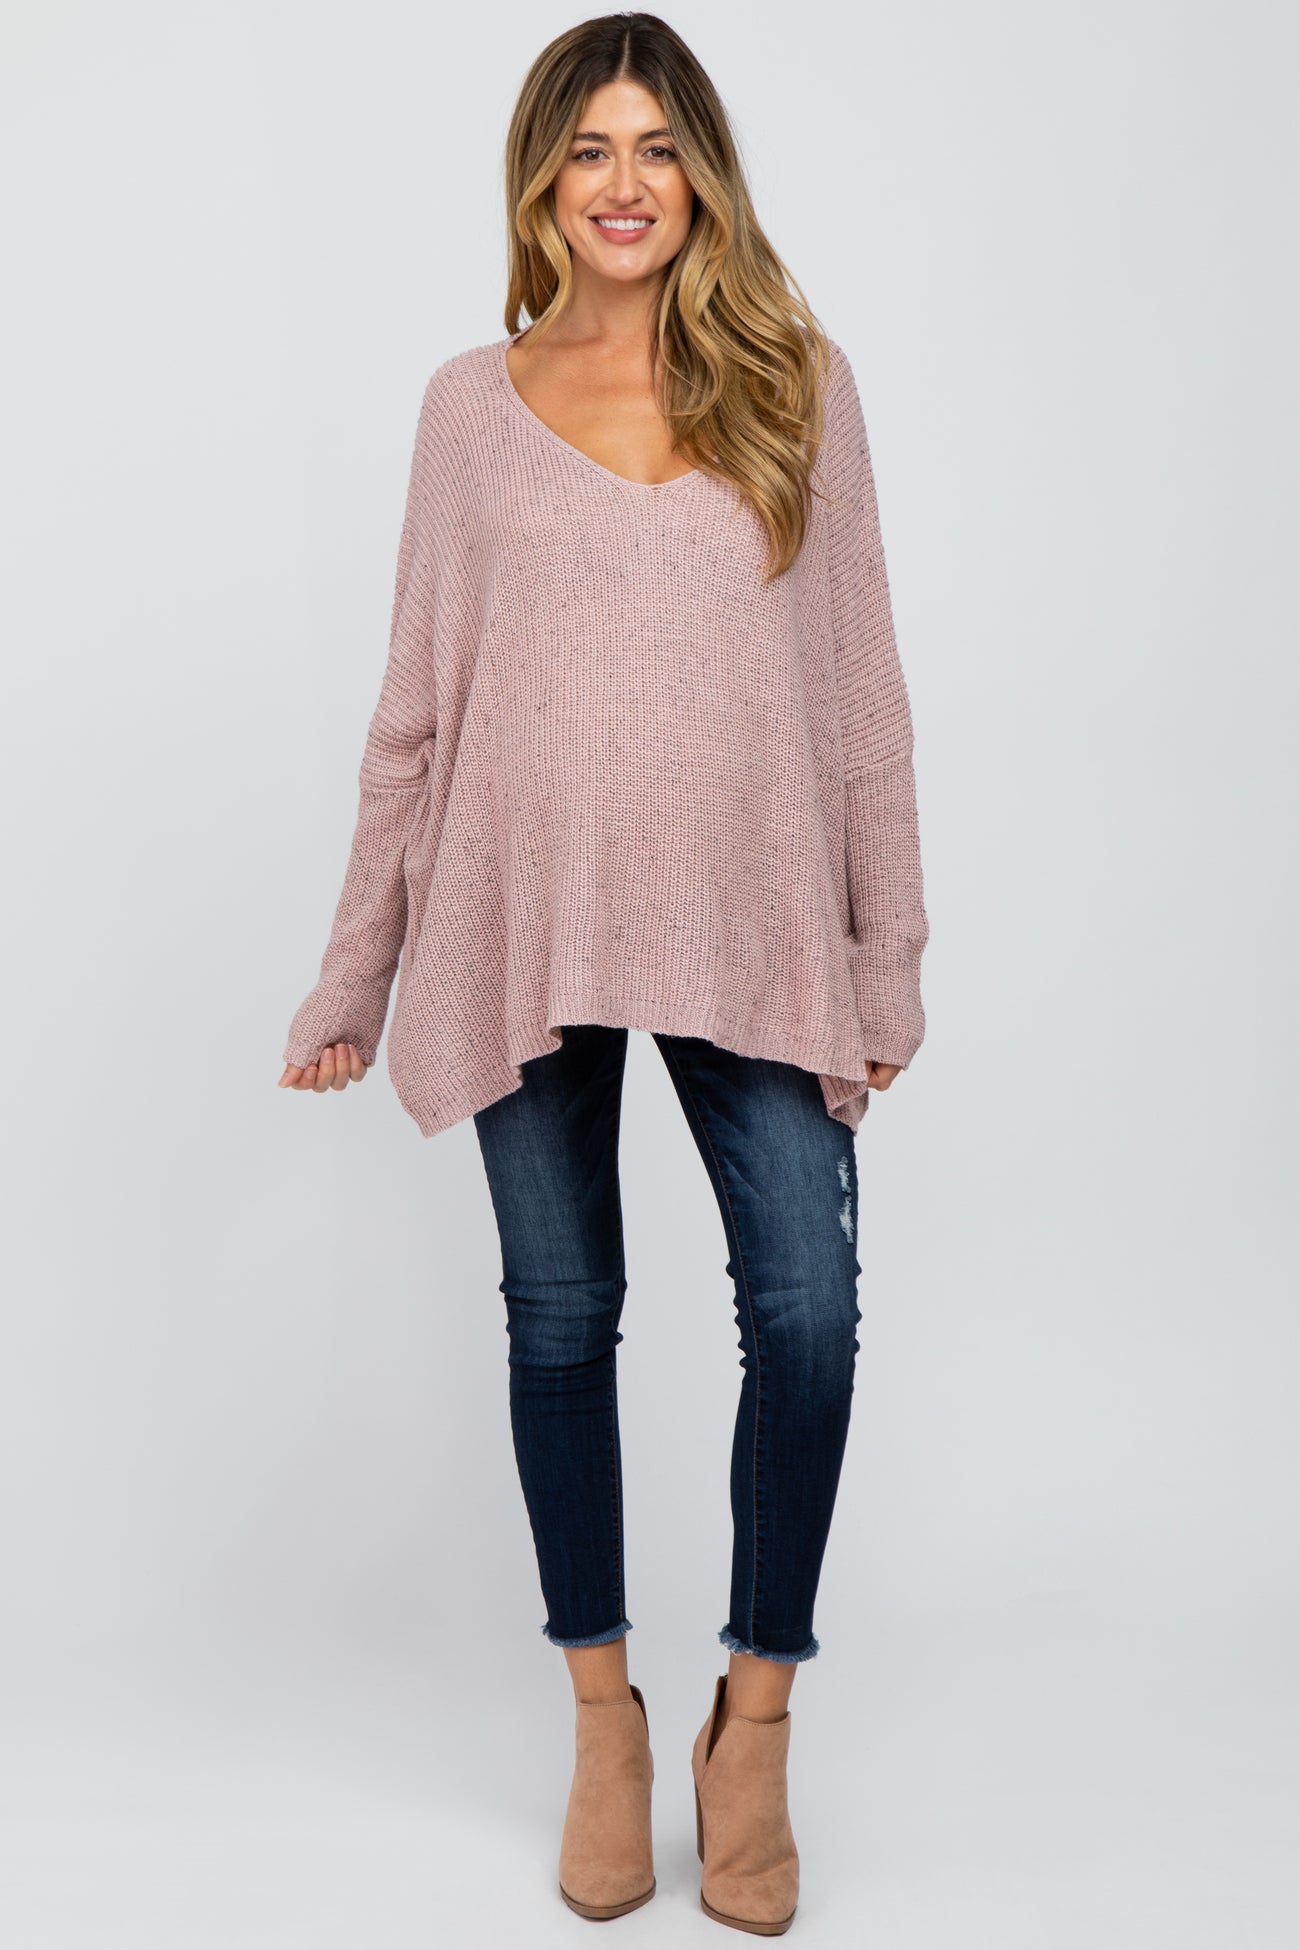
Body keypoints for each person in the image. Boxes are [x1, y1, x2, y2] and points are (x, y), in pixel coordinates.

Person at [278, 11, 929, 1935]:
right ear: (541, 181)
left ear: (702, 176)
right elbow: (416, 712)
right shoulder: (465, 409)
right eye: (588, 149)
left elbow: (862, 701)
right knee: (562, 1318)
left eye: (655, 147)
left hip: (754, 919)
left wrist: (884, 954)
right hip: (522, 911)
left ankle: (757, 1725)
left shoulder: (800, 384)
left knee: (805, 1314)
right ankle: (601, 1727)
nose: (622, 184)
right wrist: (353, 974)